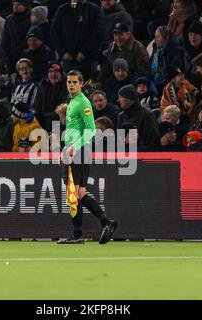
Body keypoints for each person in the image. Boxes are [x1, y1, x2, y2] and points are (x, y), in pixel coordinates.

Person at [58, 69, 117, 245]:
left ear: (81, 83)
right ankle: (106, 222)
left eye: (74, 82)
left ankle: (76, 235)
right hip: (76, 150)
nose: (71, 85)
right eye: (69, 82)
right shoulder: (73, 101)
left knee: (73, 194)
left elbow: (91, 130)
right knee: (81, 192)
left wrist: (74, 148)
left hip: (79, 150)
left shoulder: (82, 102)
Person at [51, 0, 104, 80]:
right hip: (68, 60)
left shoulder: (94, 9)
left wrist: (84, 52)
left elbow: (98, 33)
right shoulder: (62, 10)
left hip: (89, 60)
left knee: (89, 89)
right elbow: (54, 32)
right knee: (70, 88)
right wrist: (63, 52)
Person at [117, 84, 160, 151]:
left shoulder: (147, 115)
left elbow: (154, 139)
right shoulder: (121, 116)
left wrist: (139, 137)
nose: (118, 100)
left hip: (143, 154)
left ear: (129, 98)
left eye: (120, 97)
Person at [147, 26, 184, 96]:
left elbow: (172, 72)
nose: (155, 40)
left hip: (167, 85)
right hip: (154, 83)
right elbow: (149, 66)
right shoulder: (156, 48)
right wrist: (146, 82)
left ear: (166, 37)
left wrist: (158, 86)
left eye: (158, 37)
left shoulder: (176, 50)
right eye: (155, 37)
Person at [34, 62, 68, 133]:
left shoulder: (67, 87)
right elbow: (37, 107)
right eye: (50, 71)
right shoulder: (42, 86)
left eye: (56, 71)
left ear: (61, 74)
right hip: (44, 120)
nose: (53, 74)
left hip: (59, 120)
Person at [1, 0, 31, 72]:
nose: (15, 6)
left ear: (25, 6)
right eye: (14, 4)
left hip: (24, 53)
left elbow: (27, 38)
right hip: (10, 53)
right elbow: (6, 38)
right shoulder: (9, 19)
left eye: (18, 4)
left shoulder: (30, 19)